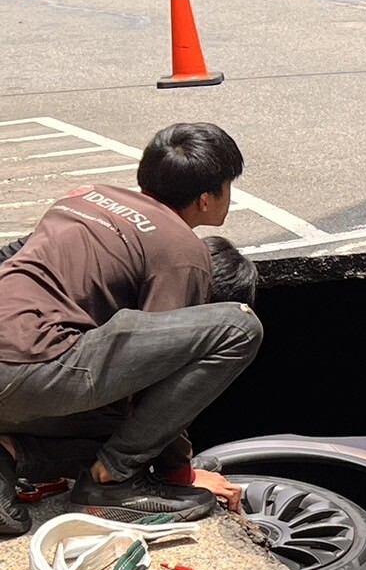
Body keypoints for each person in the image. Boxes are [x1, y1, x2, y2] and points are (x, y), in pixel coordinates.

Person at [0, 122, 261, 536]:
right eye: (229, 185)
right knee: (238, 326)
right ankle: (111, 482)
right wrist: (180, 474)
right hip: (28, 363)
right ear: (207, 198)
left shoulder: (84, 197)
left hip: (19, 367)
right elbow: (161, 377)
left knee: (118, 427)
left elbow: (11, 256)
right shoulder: (182, 250)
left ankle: (7, 455)